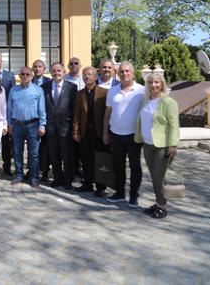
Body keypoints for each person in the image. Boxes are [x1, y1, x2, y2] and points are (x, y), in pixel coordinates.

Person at [135, 72, 179, 219]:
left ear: (162, 84)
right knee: (155, 177)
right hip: (148, 145)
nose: (153, 85)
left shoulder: (168, 102)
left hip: (163, 146)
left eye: (156, 82)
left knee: (158, 177)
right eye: (150, 82)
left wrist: (173, 145)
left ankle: (162, 206)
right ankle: (160, 202)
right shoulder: (145, 101)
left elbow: (174, 125)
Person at [103, 61, 144, 206]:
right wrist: (105, 133)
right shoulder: (112, 90)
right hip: (115, 134)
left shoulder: (142, 90)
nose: (124, 74)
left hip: (134, 135)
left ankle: (134, 195)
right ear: (117, 74)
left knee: (135, 166)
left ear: (132, 73)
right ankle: (119, 192)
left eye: (127, 71)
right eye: (121, 72)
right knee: (118, 165)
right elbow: (107, 113)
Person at [72, 66, 109, 197]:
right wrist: (76, 132)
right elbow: (77, 114)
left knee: (100, 159)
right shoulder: (80, 94)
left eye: (89, 74)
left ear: (95, 76)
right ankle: (87, 184)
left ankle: (100, 187)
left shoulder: (104, 92)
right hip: (85, 132)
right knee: (86, 159)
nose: (87, 77)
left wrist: (106, 132)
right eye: (84, 75)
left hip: (99, 132)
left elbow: (107, 113)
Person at [7, 66, 46, 188]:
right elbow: (9, 108)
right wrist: (9, 124)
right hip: (17, 124)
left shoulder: (38, 90)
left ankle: (34, 177)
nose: (24, 76)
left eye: (27, 74)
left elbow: (42, 109)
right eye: (22, 74)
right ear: (19, 76)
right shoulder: (14, 90)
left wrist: (42, 125)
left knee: (33, 153)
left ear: (32, 76)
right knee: (18, 152)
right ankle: (19, 175)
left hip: (33, 125)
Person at [42, 62, 77, 190]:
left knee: (67, 156)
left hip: (65, 128)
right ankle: (57, 178)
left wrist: (74, 128)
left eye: (59, 71)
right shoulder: (44, 86)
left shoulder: (71, 87)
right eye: (54, 71)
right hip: (50, 128)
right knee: (54, 155)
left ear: (63, 72)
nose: (56, 73)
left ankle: (68, 180)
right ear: (50, 72)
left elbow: (74, 109)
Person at [0, 52, 16, 175]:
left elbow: (13, 95)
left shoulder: (10, 76)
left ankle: (6, 167)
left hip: (5, 113)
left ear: (2, 61)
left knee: (6, 143)